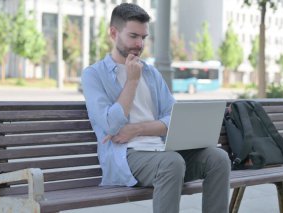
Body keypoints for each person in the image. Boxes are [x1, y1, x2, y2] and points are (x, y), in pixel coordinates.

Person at [81, 3, 230, 213]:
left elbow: (174, 118)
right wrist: (131, 82)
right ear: (114, 33)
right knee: (171, 162)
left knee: (218, 158)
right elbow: (110, 125)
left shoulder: (151, 74)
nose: (139, 44)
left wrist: (138, 129)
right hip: (126, 156)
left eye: (143, 37)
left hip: (162, 150)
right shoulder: (94, 75)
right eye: (133, 36)